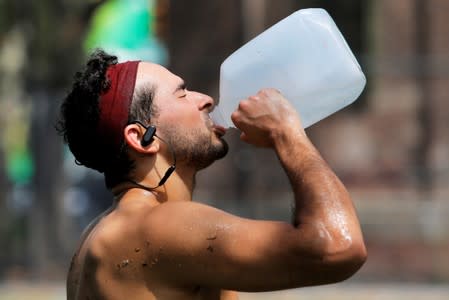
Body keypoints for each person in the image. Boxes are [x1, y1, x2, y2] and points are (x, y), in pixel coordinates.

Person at [57, 49, 366, 300]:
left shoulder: (101, 234)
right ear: (141, 137)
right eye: (182, 94)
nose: (204, 98)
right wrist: (286, 132)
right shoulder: (155, 227)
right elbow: (338, 246)